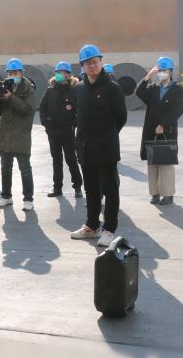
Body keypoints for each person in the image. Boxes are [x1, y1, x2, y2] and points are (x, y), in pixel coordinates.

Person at [70, 45, 127, 247]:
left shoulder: (113, 88)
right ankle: (92, 226)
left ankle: (109, 229)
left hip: (106, 149)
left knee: (110, 190)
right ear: (82, 66)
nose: (93, 65)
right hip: (85, 148)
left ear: (101, 62)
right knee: (91, 190)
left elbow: (121, 117)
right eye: (88, 63)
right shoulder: (79, 89)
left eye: (95, 62)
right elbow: (78, 116)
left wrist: (107, 135)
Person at [136, 57, 183, 206]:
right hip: (151, 130)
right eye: (160, 70)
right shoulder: (153, 88)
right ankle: (155, 194)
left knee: (166, 164)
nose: (162, 73)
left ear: (170, 72)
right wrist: (148, 76)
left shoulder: (176, 89)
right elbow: (138, 92)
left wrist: (163, 124)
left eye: (164, 70)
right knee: (152, 163)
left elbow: (178, 109)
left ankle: (168, 195)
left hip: (167, 131)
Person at [0, 58, 36, 211]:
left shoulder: (28, 88)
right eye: (10, 72)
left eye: (15, 72)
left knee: (25, 170)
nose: (12, 75)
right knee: (5, 169)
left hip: (21, 135)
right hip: (5, 135)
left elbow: (27, 110)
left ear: (21, 72)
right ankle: (6, 196)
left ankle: (28, 198)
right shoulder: (6, 86)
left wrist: (11, 97)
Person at [39, 62, 83, 198]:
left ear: (69, 75)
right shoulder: (50, 90)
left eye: (64, 72)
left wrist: (74, 124)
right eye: (58, 72)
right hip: (53, 132)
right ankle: (57, 188)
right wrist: (46, 124)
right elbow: (42, 109)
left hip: (68, 132)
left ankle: (77, 187)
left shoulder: (74, 91)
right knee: (56, 160)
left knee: (71, 159)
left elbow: (80, 110)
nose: (61, 75)